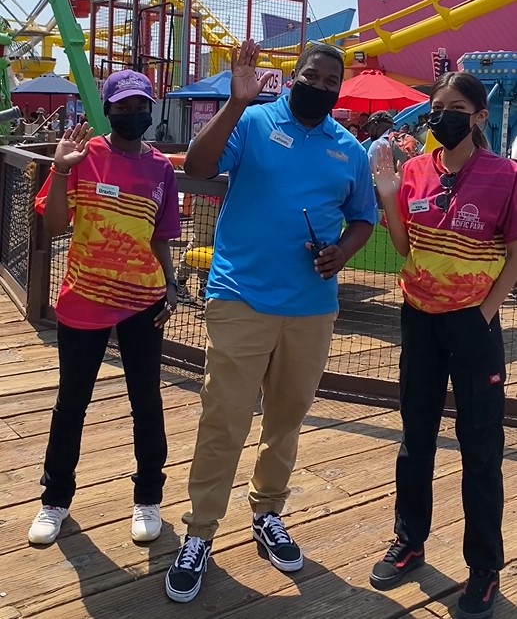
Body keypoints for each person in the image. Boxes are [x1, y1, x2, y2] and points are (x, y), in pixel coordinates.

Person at [164, 40, 377, 603]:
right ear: (295, 75)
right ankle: (200, 532)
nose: (323, 85)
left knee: (285, 420)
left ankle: (267, 512)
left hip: (311, 307)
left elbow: (363, 219)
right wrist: (235, 103)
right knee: (224, 420)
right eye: (314, 75)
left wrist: (343, 254)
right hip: (241, 297)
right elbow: (201, 165)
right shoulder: (255, 120)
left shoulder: (348, 149)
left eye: (333, 80)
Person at [369, 71, 517, 619]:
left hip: (473, 327)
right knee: (416, 436)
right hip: (419, 319)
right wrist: (387, 194)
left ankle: (483, 571)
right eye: (438, 106)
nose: (443, 116)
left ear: (480, 117)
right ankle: (409, 541)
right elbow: (406, 244)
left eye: (457, 108)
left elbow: (516, 251)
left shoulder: (505, 176)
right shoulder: (413, 171)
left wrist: (485, 310)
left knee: (481, 446)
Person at [28, 70, 180, 547]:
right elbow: (53, 226)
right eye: (123, 107)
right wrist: (60, 170)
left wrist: (171, 283)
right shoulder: (84, 156)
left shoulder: (161, 169)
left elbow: (159, 236)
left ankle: (148, 497)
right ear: (109, 109)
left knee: (146, 400)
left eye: (140, 106)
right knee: (72, 401)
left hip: (143, 302)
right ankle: (54, 500)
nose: (132, 115)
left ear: (150, 110)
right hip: (85, 299)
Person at [176, 194, 220, 305]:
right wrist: (187, 201)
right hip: (207, 201)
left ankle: (204, 286)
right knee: (199, 243)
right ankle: (179, 284)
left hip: (219, 201)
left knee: (209, 246)